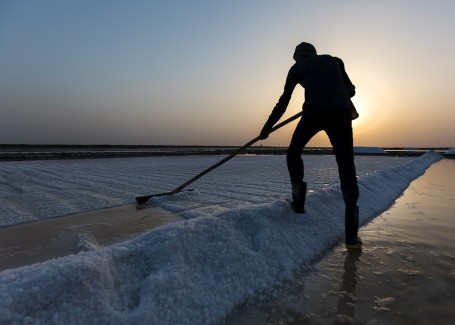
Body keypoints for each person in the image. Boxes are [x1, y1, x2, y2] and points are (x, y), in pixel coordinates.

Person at [259, 42, 361, 249]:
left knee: (293, 153)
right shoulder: (335, 60)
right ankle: (351, 237)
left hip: (313, 113)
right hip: (341, 114)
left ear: (298, 57)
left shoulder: (297, 68)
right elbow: (351, 91)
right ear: (313, 53)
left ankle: (298, 204)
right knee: (346, 167)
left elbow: (283, 102)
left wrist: (267, 127)